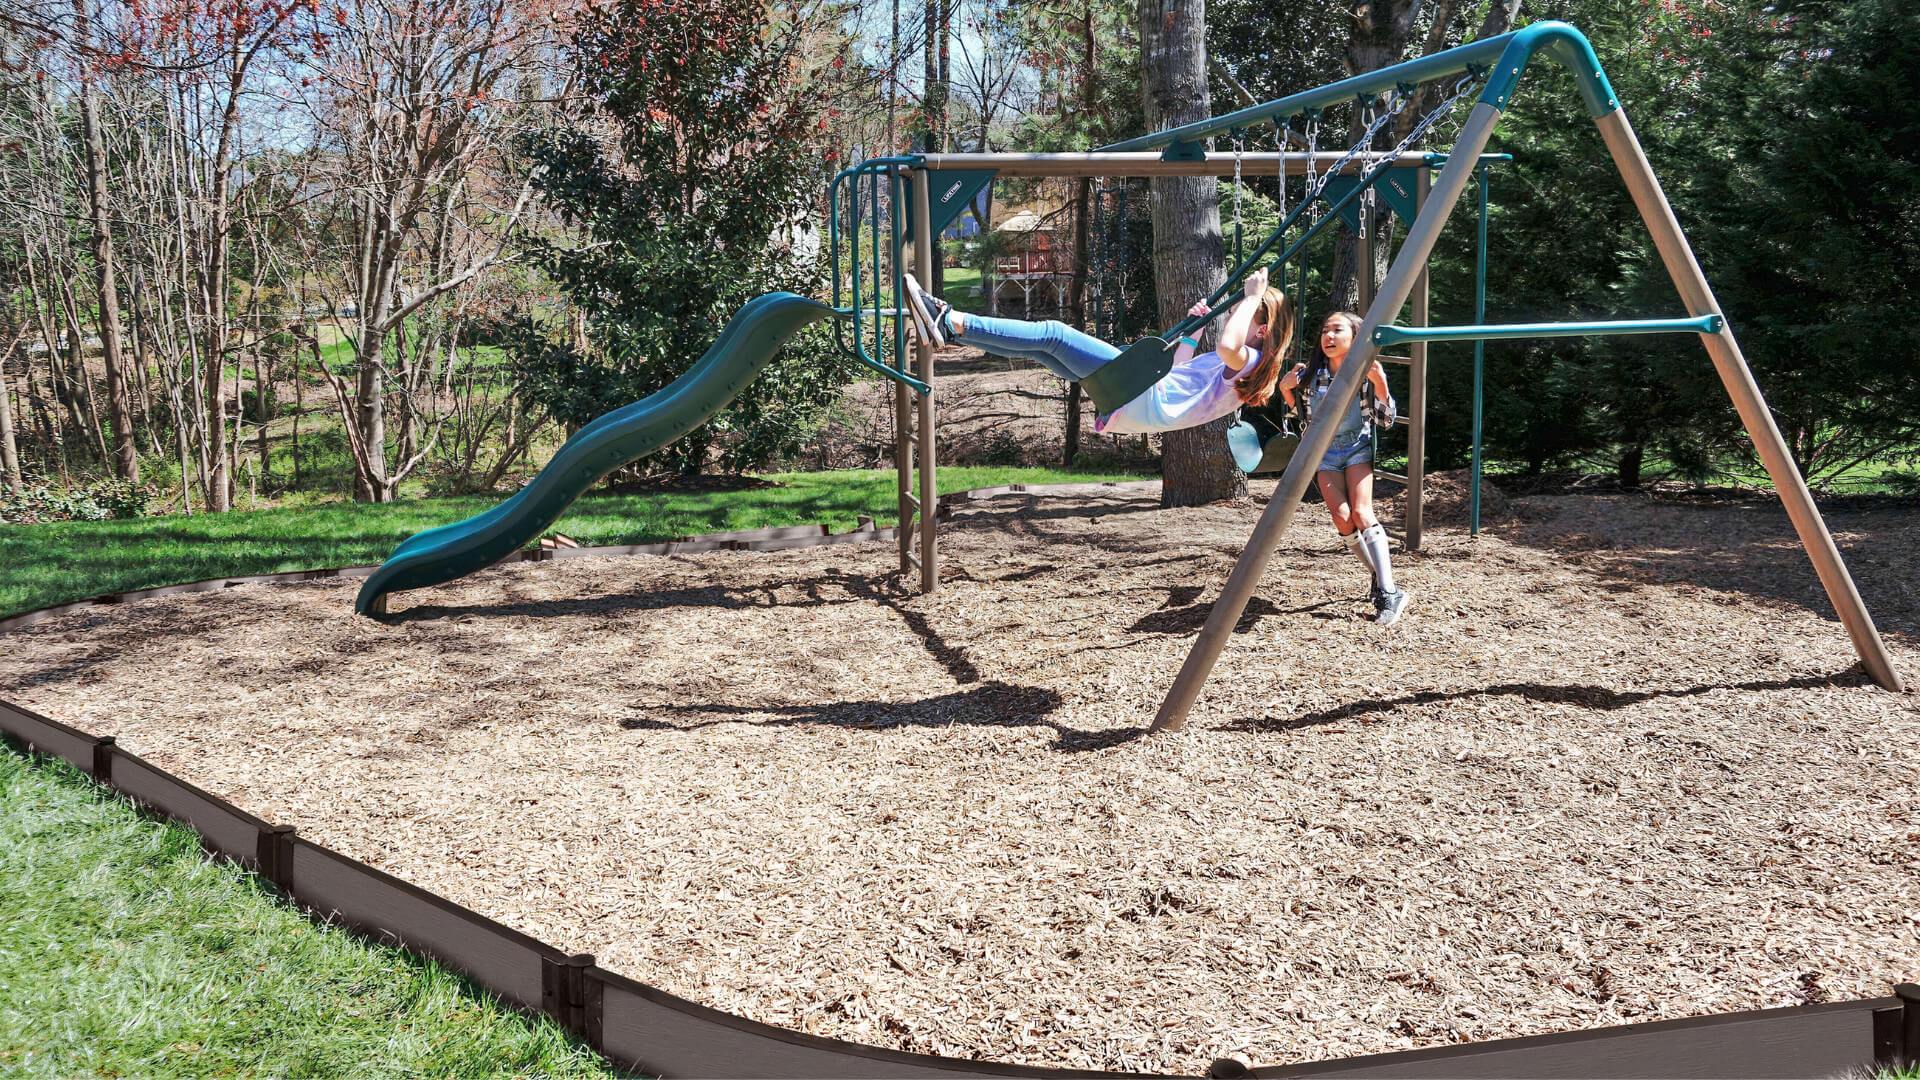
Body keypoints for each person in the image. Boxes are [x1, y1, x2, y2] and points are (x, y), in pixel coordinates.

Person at [901, 269, 1294, 435]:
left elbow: (1229, 344)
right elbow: (1176, 373)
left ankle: (950, 320)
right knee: (1044, 350)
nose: (1235, 319)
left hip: (1138, 393)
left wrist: (1252, 297)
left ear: (1261, 329)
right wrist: (1195, 332)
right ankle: (950, 335)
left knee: (1053, 333)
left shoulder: (1252, 361)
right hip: (1138, 404)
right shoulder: (1237, 369)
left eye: (1244, 315)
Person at [1277, 311, 1410, 626]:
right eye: (1325, 331)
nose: (1329, 337)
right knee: (1342, 517)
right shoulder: (1311, 374)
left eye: (1337, 330)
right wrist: (1286, 391)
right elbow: (1306, 420)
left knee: (1363, 514)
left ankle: (1389, 593)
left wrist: (1381, 385)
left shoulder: (1364, 372)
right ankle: (1379, 578)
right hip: (1324, 454)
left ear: (1354, 337)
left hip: (1356, 449)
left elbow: (1385, 421)